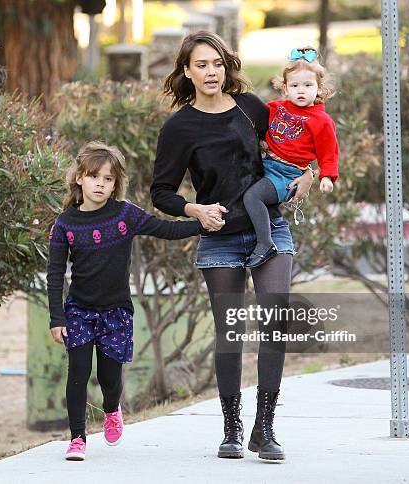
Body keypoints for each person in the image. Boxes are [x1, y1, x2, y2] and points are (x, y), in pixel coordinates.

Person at [150, 31, 315, 461]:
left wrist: (310, 175)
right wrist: (195, 210)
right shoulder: (179, 127)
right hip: (219, 240)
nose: (211, 72)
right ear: (186, 71)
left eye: (217, 63)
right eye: (201, 64)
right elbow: (161, 191)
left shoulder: (252, 109)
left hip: (269, 229)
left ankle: (265, 427)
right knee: (230, 335)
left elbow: (298, 145)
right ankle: (231, 428)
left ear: (227, 67)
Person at [47, 141, 214, 461]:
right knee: (78, 373)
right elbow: (55, 274)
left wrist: (202, 222)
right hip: (79, 311)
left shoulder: (125, 215)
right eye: (94, 176)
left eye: (108, 179)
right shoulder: (65, 224)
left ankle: (112, 409)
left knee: (110, 379)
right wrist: (58, 318)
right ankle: (77, 438)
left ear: (115, 184)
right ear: (79, 178)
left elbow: (165, 229)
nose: (100, 183)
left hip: (116, 312)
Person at [242, 46, 338, 268]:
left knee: (252, 197)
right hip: (267, 163)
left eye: (308, 85)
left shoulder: (321, 121)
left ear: (319, 88)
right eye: (295, 86)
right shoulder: (275, 108)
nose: (301, 90)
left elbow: (329, 152)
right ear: (285, 88)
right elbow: (256, 126)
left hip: (288, 174)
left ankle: (265, 244)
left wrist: (326, 177)